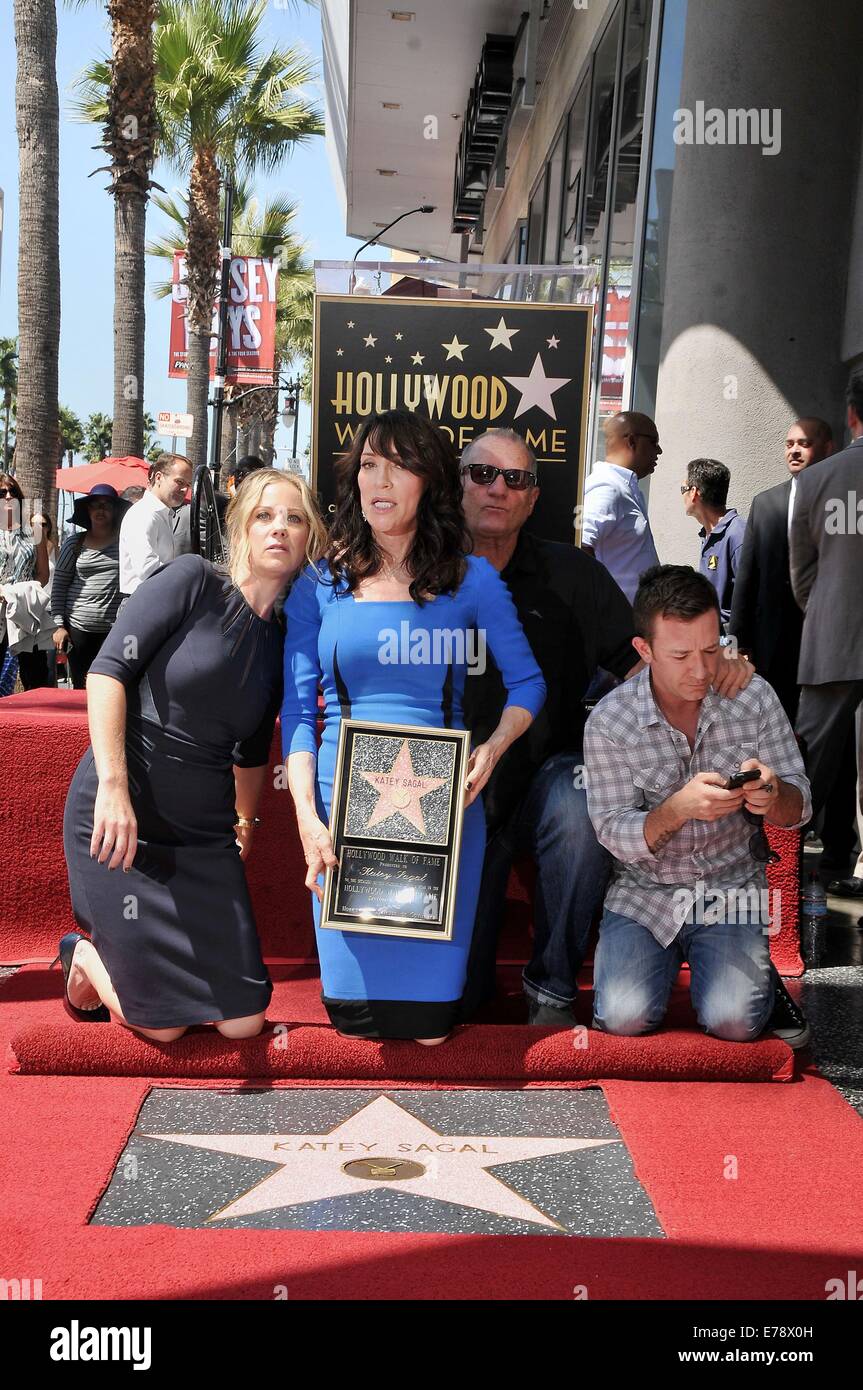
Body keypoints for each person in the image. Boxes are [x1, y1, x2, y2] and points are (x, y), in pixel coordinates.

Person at [458, 429, 757, 1025]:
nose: (497, 489)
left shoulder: (572, 574)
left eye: (515, 479)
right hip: (451, 789)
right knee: (458, 1000)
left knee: (580, 794)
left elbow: (641, 666)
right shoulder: (418, 574)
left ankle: (551, 990)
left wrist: (715, 662)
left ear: (534, 497)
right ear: (455, 483)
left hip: (547, 777)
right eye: (481, 474)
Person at [281, 409, 546, 1044]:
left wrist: (493, 748)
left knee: (429, 1027)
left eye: (397, 467)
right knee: (354, 1024)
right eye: (369, 465)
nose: (380, 480)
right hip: (340, 814)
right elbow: (296, 713)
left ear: (428, 481)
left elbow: (529, 684)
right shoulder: (320, 581)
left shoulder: (470, 577)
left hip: (445, 809)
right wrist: (307, 821)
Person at [58, 469, 326, 1041]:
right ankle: (84, 958)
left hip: (203, 836)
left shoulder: (283, 641)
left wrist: (247, 822)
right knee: (163, 1029)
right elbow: (108, 672)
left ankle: (133, 973)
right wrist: (113, 786)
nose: (279, 528)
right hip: (122, 816)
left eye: (294, 518)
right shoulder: (192, 579)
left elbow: (253, 751)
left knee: (245, 1022)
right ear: (241, 528)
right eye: (265, 515)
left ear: (310, 539)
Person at [583, 565, 812, 1047]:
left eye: (712, 649)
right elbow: (610, 829)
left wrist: (773, 794)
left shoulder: (751, 697)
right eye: (681, 655)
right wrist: (676, 809)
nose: (702, 670)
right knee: (624, 1018)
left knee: (733, 1022)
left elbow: (800, 807)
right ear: (644, 652)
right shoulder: (610, 720)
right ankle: (711, 972)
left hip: (732, 889)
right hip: (644, 892)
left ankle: (756, 980)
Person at [791, 377, 863, 888]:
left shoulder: (815, 481)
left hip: (830, 642)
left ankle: (781, 871)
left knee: (807, 765)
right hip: (833, 640)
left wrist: (826, 614)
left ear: (851, 416)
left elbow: (803, 575)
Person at [729, 417, 834, 719]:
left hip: (824, 635)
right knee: (775, 718)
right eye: (789, 444)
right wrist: (737, 640)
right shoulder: (765, 503)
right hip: (773, 638)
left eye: (804, 443)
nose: (795, 451)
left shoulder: (844, 503)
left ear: (828, 448)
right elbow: (747, 576)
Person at [50, 484, 130, 689]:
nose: (100, 510)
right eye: (95, 505)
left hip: (115, 630)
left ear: (115, 511)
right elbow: (59, 586)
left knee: (111, 685)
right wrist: (59, 625)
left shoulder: (127, 542)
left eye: (106, 505)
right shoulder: (74, 544)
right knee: (80, 687)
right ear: (88, 510)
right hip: (79, 629)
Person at [581, 411, 661, 603]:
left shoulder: (625, 487)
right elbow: (580, 543)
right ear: (632, 441)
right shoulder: (608, 487)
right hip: (618, 625)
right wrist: (605, 603)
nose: (659, 451)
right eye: (654, 442)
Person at [681, 458, 747, 630]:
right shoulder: (709, 534)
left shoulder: (738, 536)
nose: (682, 495)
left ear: (694, 492)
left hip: (731, 641)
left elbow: (755, 599)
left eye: (683, 489)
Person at [0, 472, 51, 689]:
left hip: (26, 607)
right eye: (2, 492)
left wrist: (23, 592)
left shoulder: (34, 530)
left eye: (13, 491)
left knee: (35, 674)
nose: (9, 496)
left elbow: (43, 572)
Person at [118, 452, 193, 598]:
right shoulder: (143, 513)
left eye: (188, 485)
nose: (185, 490)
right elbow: (147, 569)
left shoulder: (161, 514)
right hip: (143, 602)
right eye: (179, 482)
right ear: (158, 477)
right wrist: (187, 578)